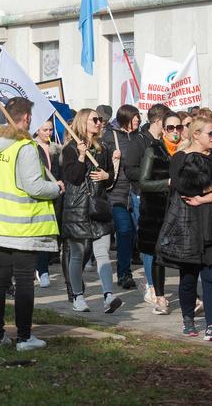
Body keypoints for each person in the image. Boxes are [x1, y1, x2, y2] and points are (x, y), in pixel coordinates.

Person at [0, 97, 61, 351]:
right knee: (23, 280)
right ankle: (24, 337)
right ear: (27, 118)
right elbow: (34, 186)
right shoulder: (24, 147)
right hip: (21, 225)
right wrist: (56, 188)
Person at [157, 117, 212, 341]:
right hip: (188, 222)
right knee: (188, 277)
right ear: (196, 135)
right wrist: (208, 185)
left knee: (211, 274)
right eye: (210, 133)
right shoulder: (180, 157)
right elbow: (183, 185)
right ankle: (188, 319)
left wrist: (204, 197)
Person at [61, 108, 121, 314]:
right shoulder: (70, 148)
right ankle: (77, 295)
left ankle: (108, 296)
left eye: (100, 119)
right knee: (77, 255)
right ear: (82, 123)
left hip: (99, 206)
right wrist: (80, 156)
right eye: (94, 119)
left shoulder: (103, 148)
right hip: (78, 208)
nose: (99, 122)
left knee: (102, 252)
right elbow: (74, 178)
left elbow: (111, 177)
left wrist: (107, 176)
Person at [138, 110, 182, 315]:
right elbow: (144, 182)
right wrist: (167, 183)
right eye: (170, 128)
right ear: (163, 130)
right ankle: (160, 298)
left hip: (182, 211)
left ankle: (192, 297)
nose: (175, 131)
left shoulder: (186, 151)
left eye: (178, 127)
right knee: (158, 256)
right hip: (158, 211)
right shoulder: (154, 150)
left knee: (186, 255)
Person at [101, 104, 145, 290]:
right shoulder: (110, 137)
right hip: (116, 192)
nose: (137, 120)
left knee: (135, 232)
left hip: (136, 192)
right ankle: (124, 273)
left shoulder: (140, 137)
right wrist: (113, 159)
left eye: (138, 117)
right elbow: (101, 162)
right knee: (124, 230)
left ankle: (127, 266)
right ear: (125, 118)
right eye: (134, 117)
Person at [34, 119, 63, 289]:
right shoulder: (31, 147)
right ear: (37, 130)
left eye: (50, 130)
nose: (48, 133)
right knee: (40, 233)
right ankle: (41, 269)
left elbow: (60, 170)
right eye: (45, 129)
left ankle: (42, 267)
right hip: (39, 195)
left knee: (50, 233)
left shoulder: (55, 148)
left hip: (55, 195)